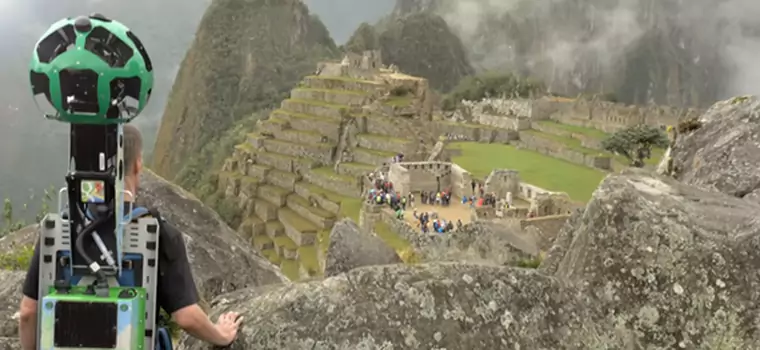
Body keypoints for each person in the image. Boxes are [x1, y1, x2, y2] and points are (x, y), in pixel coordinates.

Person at [18, 125, 242, 350]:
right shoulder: (157, 232)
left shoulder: (60, 227)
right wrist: (221, 335)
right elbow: (186, 317)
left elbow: (28, 312)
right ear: (137, 164)